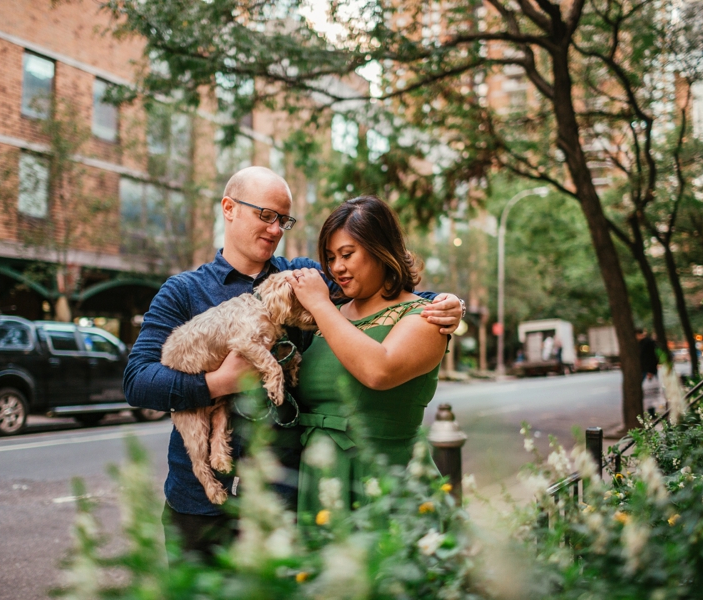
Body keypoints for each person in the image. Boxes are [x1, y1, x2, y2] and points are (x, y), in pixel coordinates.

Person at [123, 167, 464, 557]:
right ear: (229, 208)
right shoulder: (183, 291)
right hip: (200, 504)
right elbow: (138, 381)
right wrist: (219, 382)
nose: (275, 229)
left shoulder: (299, 279)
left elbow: (374, 290)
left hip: (285, 500)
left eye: (282, 220)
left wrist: (446, 303)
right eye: (264, 215)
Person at [287, 195, 449, 517]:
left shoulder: (425, 317)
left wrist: (319, 305)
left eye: (347, 254)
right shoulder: (330, 316)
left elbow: (379, 370)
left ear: (380, 249)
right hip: (322, 484)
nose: (336, 268)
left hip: (385, 482)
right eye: (331, 257)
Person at [636, 328, 661, 415]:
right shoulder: (642, 343)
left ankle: (652, 412)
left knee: (649, 391)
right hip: (647, 370)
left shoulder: (647, 343)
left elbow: (652, 358)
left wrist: (650, 371)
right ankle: (651, 411)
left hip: (648, 371)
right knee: (649, 391)